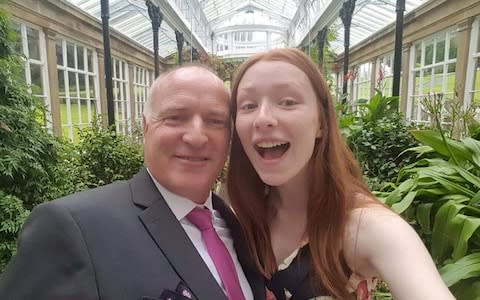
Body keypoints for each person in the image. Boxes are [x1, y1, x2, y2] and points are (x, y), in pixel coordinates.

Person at [0, 65, 265, 300]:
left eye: (215, 121)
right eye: (175, 117)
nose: (196, 137)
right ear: (146, 127)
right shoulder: (74, 228)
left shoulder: (236, 225)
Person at [226, 48, 455, 300]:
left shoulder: (365, 227)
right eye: (248, 105)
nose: (263, 118)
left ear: (321, 123)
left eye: (288, 102)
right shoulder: (238, 216)